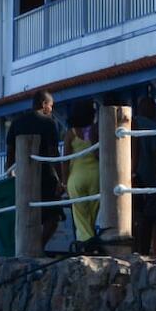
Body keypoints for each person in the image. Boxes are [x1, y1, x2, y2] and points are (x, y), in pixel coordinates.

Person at [6, 91, 64, 245]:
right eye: (51, 106)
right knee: (53, 215)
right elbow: (53, 153)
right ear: (44, 104)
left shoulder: (16, 123)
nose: (51, 110)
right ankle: (38, 245)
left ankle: (30, 246)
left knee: (27, 213)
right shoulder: (49, 123)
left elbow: (10, 152)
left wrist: (9, 173)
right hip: (46, 174)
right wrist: (61, 178)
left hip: (23, 175)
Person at [131, 95, 156, 257]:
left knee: (137, 218)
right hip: (148, 178)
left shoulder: (129, 125)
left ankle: (139, 251)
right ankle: (151, 253)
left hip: (131, 178)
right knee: (154, 220)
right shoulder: (154, 128)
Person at [64, 99, 100, 243]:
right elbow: (99, 154)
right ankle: (95, 242)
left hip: (76, 177)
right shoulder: (95, 130)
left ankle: (86, 243)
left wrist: (64, 181)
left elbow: (65, 160)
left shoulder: (71, 133)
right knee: (94, 211)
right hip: (96, 176)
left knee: (80, 214)